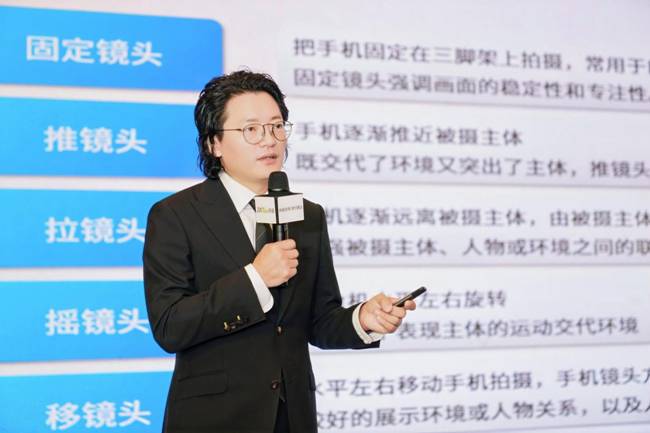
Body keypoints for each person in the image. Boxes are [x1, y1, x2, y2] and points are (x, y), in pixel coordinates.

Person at [143, 70, 416, 433]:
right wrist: (255, 279)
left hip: (291, 417)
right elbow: (170, 326)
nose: (269, 140)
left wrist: (363, 319)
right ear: (214, 144)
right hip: (213, 419)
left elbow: (319, 320)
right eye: (251, 130)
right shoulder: (176, 215)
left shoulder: (308, 216)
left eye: (276, 127)